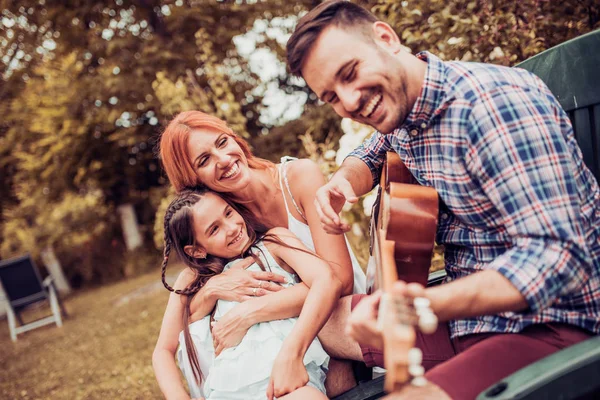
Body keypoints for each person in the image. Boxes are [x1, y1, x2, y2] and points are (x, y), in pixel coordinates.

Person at [286, 0, 600, 399]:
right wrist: (343, 182)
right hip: (467, 316)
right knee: (329, 322)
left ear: (386, 38)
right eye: (331, 96)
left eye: (350, 74)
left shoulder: (491, 107)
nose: (348, 103)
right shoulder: (405, 107)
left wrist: (420, 308)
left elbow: (560, 258)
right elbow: (373, 151)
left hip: (550, 325)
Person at [153, 110, 364, 398]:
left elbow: (336, 280)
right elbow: (171, 337)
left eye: (223, 142)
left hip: (335, 320)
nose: (224, 159)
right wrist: (208, 293)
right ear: (193, 181)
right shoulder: (219, 229)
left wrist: (248, 313)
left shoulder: (297, 179)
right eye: (204, 160)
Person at [157, 187, 340, 399]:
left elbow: (326, 279)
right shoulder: (193, 281)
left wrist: (293, 353)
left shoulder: (273, 243)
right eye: (214, 229)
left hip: (286, 380)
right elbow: (163, 350)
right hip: (229, 390)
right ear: (197, 250)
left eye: (228, 213)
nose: (232, 228)